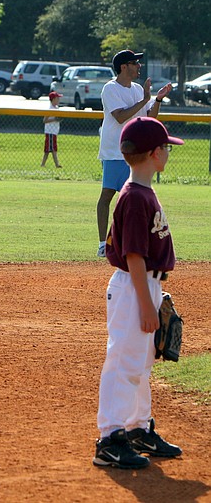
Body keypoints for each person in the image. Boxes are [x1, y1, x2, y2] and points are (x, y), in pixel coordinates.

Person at [93, 116, 183, 469]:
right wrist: (147, 305)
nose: (167, 153)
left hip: (146, 285)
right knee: (124, 363)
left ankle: (137, 428)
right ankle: (109, 438)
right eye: (165, 148)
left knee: (142, 364)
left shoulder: (144, 191)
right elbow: (133, 255)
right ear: (152, 154)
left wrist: (154, 295)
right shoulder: (133, 198)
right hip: (133, 287)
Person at [96, 50, 172, 258]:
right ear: (123, 67)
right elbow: (120, 117)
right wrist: (144, 99)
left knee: (133, 199)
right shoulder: (110, 88)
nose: (139, 66)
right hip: (114, 151)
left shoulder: (138, 89)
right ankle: (104, 243)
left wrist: (156, 100)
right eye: (134, 63)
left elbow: (150, 116)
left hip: (136, 153)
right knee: (107, 195)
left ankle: (128, 243)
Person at [41, 92, 62, 168]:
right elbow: (45, 120)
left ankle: (43, 164)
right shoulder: (50, 109)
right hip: (50, 132)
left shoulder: (56, 108)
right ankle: (57, 164)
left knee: (48, 149)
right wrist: (54, 119)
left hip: (54, 131)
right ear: (53, 99)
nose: (59, 100)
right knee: (53, 149)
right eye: (57, 98)